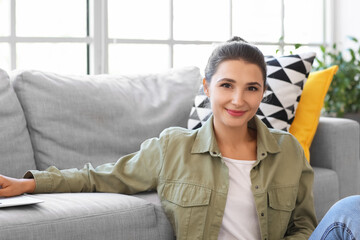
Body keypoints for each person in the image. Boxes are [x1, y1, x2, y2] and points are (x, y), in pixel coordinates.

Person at [0, 36, 349, 239]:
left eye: (251, 88)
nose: (239, 100)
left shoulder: (286, 150)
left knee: (353, 209)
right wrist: (29, 184)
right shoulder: (173, 147)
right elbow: (99, 177)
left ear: (262, 94)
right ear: (207, 88)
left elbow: (304, 224)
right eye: (227, 85)